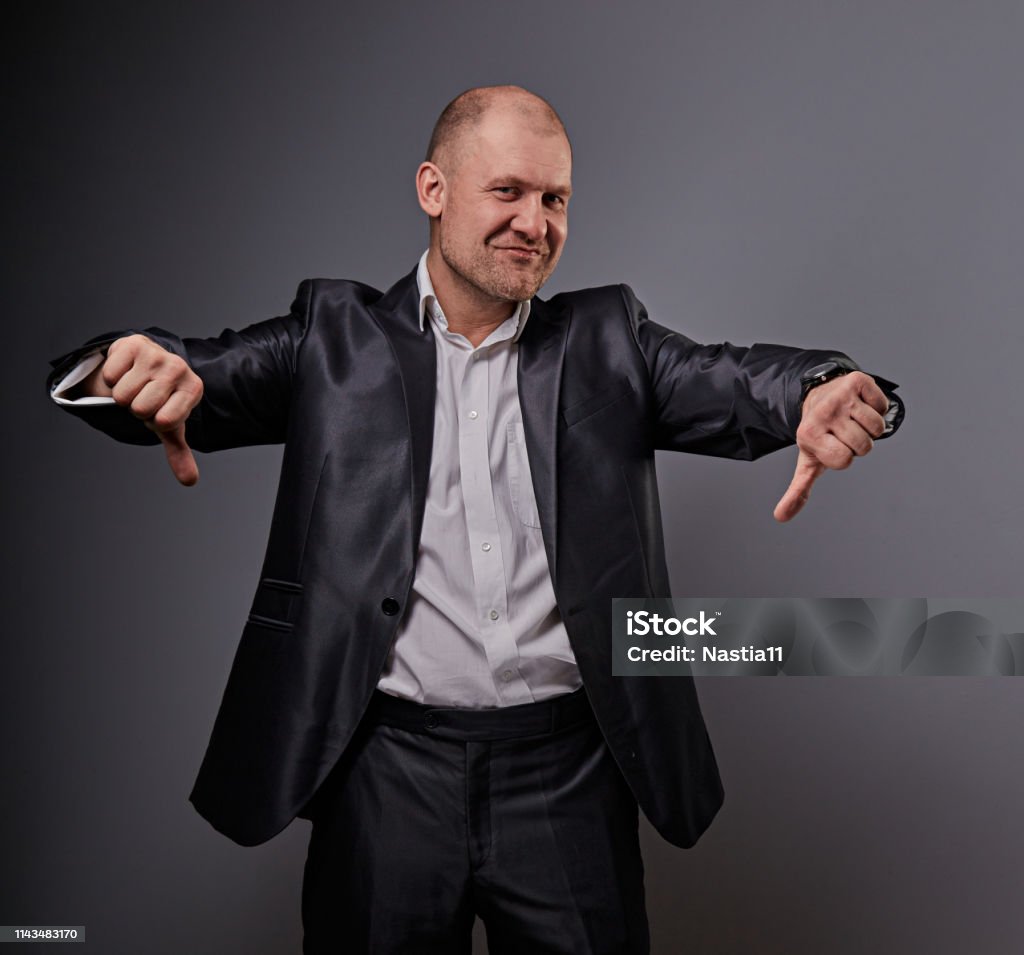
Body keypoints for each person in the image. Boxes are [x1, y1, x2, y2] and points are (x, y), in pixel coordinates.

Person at [48, 85, 903, 954]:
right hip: (383, 772)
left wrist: (822, 384)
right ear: (434, 190)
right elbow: (183, 373)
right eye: (508, 191)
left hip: (566, 774)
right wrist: (121, 366)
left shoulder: (611, 338)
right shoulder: (331, 337)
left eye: (555, 198)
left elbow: (737, 379)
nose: (535, 222)